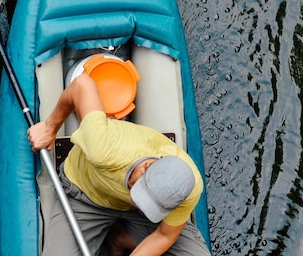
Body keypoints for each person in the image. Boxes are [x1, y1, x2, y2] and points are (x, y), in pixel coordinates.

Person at [28, 74, 211, 256]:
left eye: (148, 202)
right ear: (145, 166)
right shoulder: (105, 149)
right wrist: (50, 127)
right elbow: (81, 85)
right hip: (87, 197)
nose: (138, 202)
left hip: (136, 216)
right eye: (140, 191)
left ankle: (120, 238)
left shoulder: (186, 187)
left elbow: (165, 235)